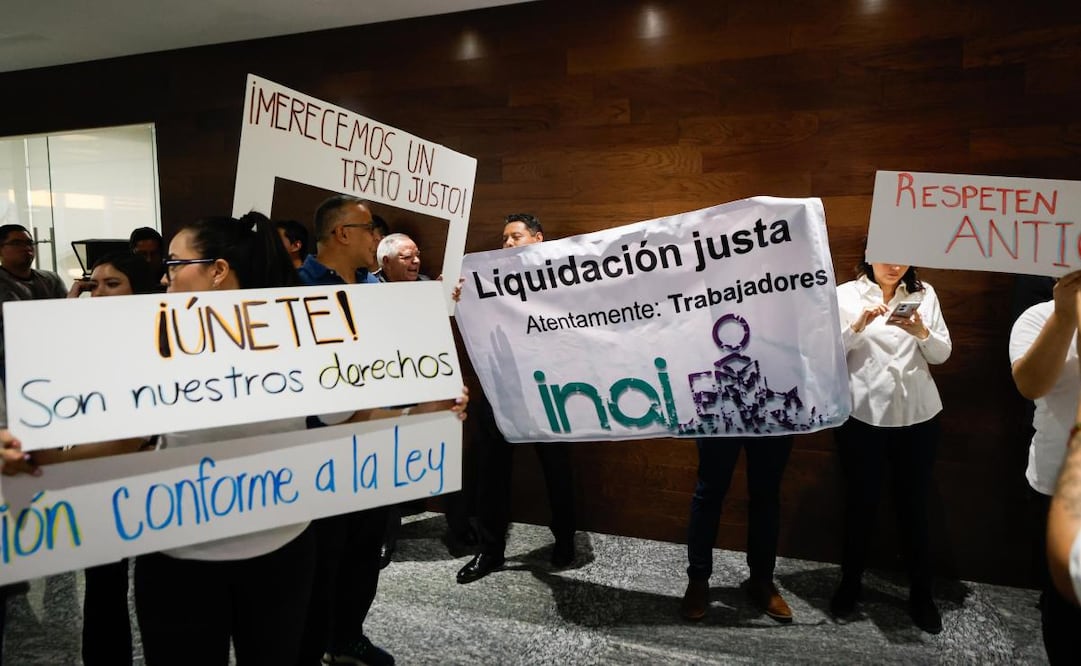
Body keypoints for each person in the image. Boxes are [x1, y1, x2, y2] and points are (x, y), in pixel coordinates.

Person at [455, 213, 577, 584]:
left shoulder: (564, 275)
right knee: (492, 472)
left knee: (557, 469)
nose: (507, 243)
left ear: (538, 238)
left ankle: (566, 540)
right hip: (500, 388)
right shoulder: (486, 279)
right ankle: (490, 552)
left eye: (515, 236)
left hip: (548, 389)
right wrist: (456, 295)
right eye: (503, 238)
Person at [831, 258, 952, 634]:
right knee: (860, 504)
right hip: (862, 417)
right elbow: (827, 354)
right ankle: (850, 585)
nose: (895, 266)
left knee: (914, 507)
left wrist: (922, 332)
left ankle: (921, 595)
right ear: (869, 254)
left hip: (918, 416)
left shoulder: (923, 293)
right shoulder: (846, 295)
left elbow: (942, 354)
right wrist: (858, 325)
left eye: (903, 257)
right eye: (887, 255)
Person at [66, 252, 159, 666]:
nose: (99, 293)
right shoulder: (81, 340)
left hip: (153, 475)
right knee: (103, 584)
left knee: (159, 585)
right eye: (94, 285)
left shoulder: (162, 341)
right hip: (98, 474)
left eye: (113, 284)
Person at [1009, 270, 1081, 663]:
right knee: (1065, 604)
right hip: (1060, 485)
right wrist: (1065, 316)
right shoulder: (1037, 317)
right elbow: (1030, 385)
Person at [680, 434, 795, 622]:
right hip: (719, 407)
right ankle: (698, 579)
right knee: (709, 492)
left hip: (772, 410)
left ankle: (762, 580)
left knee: (766, 496)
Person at [0, 224, 67, 382]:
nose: (26, 248)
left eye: (30, 243)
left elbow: (65, 316)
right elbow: (18, 318)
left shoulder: (51, 278)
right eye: (17, 243)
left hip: (52, 354)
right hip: (10, 360)